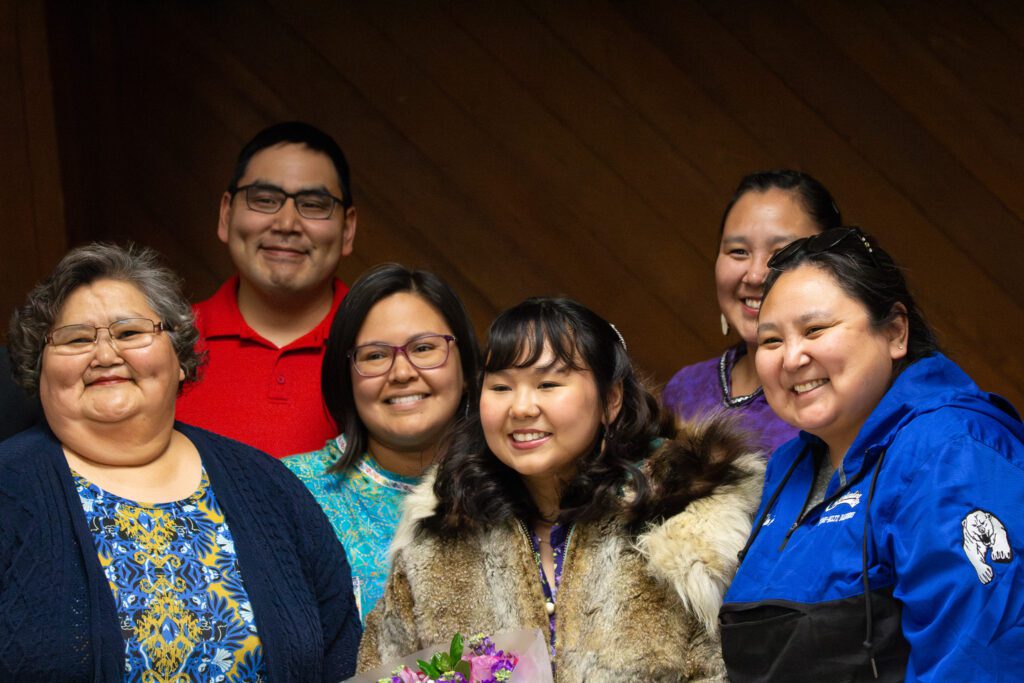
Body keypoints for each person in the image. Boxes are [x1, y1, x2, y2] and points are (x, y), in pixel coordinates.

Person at [1, 243, 361, 681]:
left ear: (180, 359)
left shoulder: (266, 484)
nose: (105, 354)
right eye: (76, 338)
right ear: (39, 369)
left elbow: (341, 649)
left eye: (130, 333)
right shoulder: (9, 487)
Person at [358, 297, 765, 680]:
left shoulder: (686, 527)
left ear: (611, 400)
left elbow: (727, 669)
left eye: (548, 384)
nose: (520, 408)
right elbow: (385, 662)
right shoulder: (439, 535)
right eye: (500, 388)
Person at [719, 228, 1024, 682]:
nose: (791, 357)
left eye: (815, 329)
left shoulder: (950, 450)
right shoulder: (787, 466)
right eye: (771, 341)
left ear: (896, 332)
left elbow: (979, 660)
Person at [283, 263, 480, 623]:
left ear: (466, 370)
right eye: (375, 355)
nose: (402, 373)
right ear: (347, 380)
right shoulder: (288, 491)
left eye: (423, 348)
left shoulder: (512, 487)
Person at [176, 121, 358, 457]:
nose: (287, 224)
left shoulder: (386, 350)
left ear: (347, 229)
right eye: (264, 200)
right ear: (226, 214)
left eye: (314, 205)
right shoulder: (166, 344)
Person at [663, 170, 841, 454]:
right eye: (738, 252)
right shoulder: (685, 388)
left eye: (781, 252)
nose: (756, 275)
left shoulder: (842, 389)